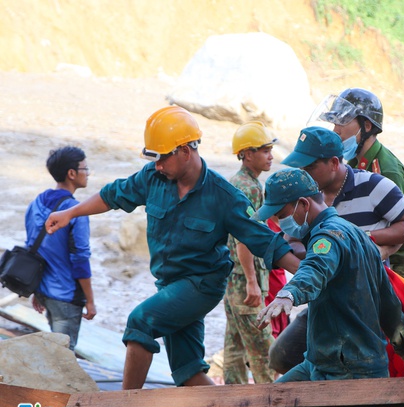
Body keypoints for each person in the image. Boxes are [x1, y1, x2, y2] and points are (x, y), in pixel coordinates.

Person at [45, 106, 299, 389]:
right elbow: (112, 195)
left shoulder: (224, 196)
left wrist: (308, 274)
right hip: (169, 286)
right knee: (187, 371)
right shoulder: (153, 178)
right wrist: (70, 213)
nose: (158, 165)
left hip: (201, 285)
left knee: (140, 323)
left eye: (163, 157)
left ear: (185, 151)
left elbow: (263, 239)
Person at [268, 126, 404, 374]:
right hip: (325, 300)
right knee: (282, 357)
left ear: (334, 162)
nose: (304, 173)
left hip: (358, 306)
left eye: (310, 166)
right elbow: (312, 257)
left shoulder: (372, 187)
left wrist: (365, 242)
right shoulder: (310, 203)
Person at [311, 88, 404, 287]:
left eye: (342, 122)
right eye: (334, 122)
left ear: (367, 126)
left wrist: (361, 239)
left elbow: (403, 227)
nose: (335, 130)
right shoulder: (352, 164)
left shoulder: (387, 171)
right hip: (368, 255)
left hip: (402, 264)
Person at [222, 121, 278, 384]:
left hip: (232, 280)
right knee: (264, 352)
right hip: (245, 281)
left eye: (270, 149)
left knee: (234, 348)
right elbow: (245, 238)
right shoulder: (251, 188)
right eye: (264, 150)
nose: (270, 155)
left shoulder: (236, 182)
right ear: (246, 153)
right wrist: (253, 282)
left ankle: (230, 403)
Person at [26, 146, 96, 351]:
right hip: (66, 297)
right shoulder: (76, 211)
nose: (88, 173)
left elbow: (33, 248)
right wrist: (90, 301)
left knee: (54, 354)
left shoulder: (36, 203)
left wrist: (37, 291)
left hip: (45, 293)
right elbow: (80, 259)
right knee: (64, 359)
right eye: (85, 168)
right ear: (72, 174)